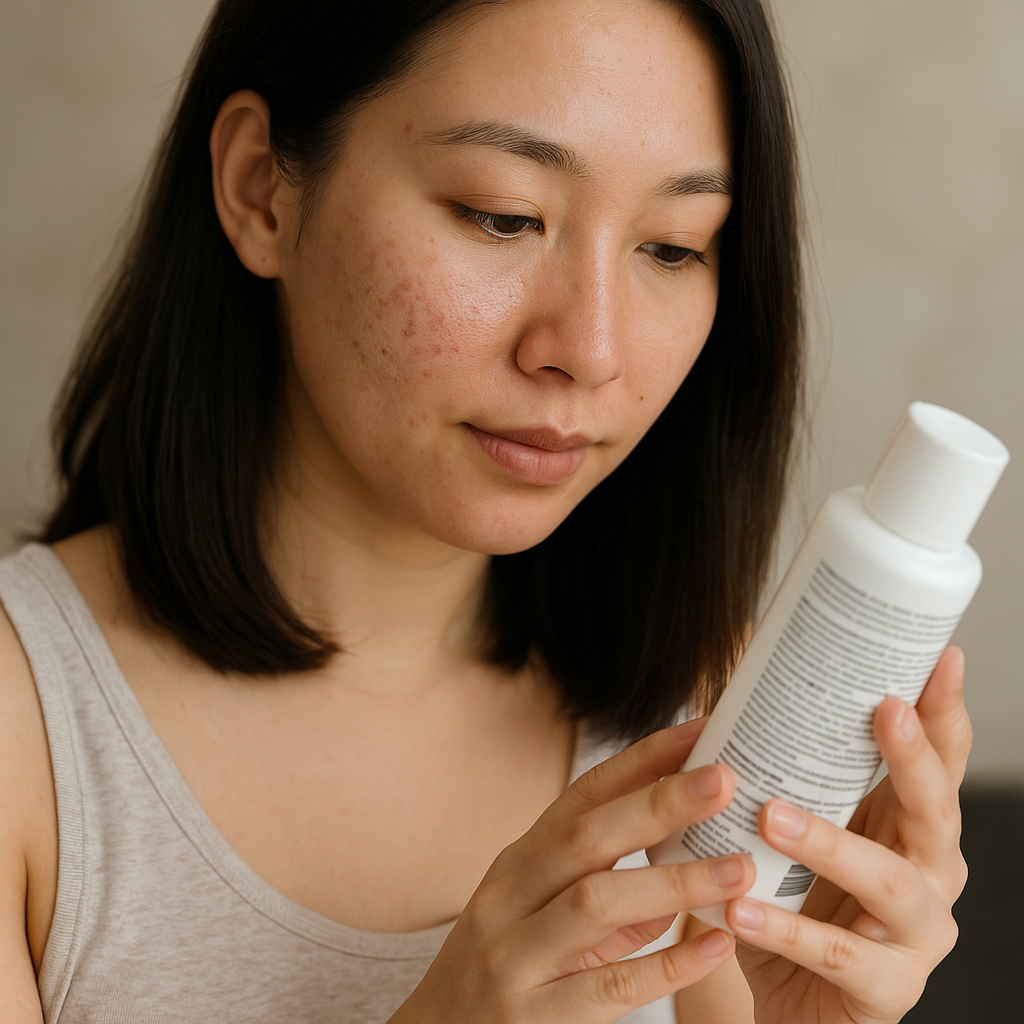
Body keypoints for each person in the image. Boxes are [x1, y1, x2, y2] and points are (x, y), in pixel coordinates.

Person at [0, 0, 970, 1021]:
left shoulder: (708, 715)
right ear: (261, 190)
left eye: (673, 247)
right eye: (504, 216)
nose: (590, 349)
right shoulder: (29, 740)